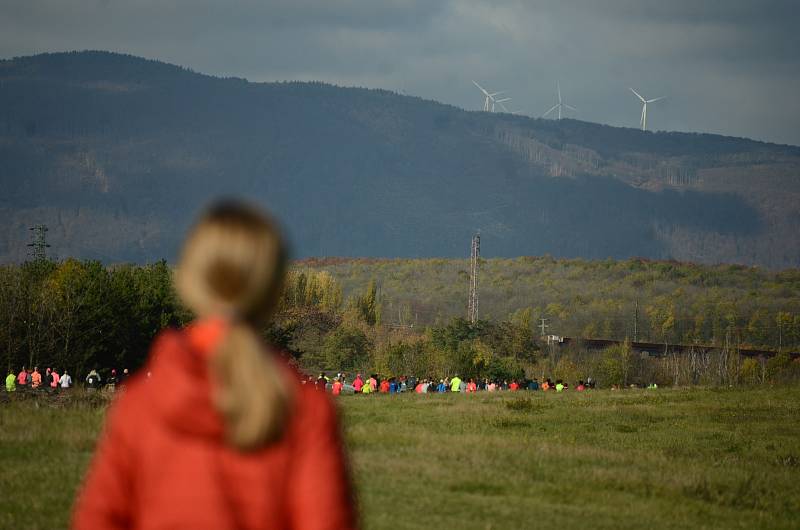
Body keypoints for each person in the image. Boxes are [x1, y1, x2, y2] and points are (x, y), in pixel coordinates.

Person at [72, 201, 356, 529]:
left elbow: (97, 518)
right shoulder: (304, 408)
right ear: (274, 290)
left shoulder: (139, 403)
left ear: (190, 282)